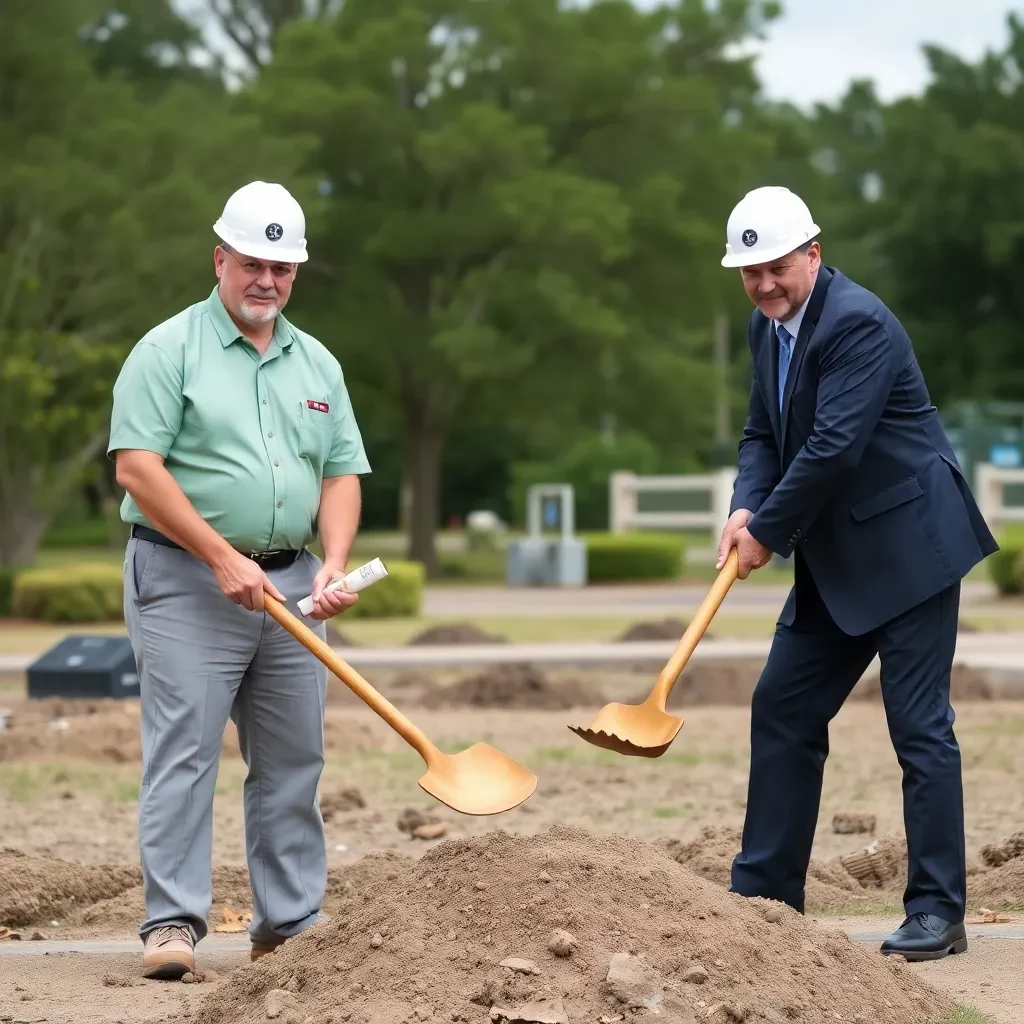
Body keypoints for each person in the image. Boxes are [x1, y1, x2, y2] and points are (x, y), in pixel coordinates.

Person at [715, 185, 998, 961]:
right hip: (840, 561)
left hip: (910, 549)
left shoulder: (858, 323)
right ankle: (766, 898)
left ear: (812, 252)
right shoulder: (764, 328)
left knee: (919, 730)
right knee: (782, 707)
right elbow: (761, 436)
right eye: (750, 272)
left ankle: (938, 912)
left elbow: (834, 446)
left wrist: (768, 532)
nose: (764, 284)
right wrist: (746, 507)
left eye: (775, 267)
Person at [107, 180, 371, 979]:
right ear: (220, 258)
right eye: (254, 263)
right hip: (185, 577)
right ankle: (173, 926)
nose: (267, 280)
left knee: (294, 760)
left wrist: (331, 560)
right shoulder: (166, 350)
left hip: (292, 584)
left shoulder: (316, 360)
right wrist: (220, 556)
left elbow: (341, 474)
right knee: (184, 753)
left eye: (283, 268)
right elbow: (137, 468)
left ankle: (288, 925)